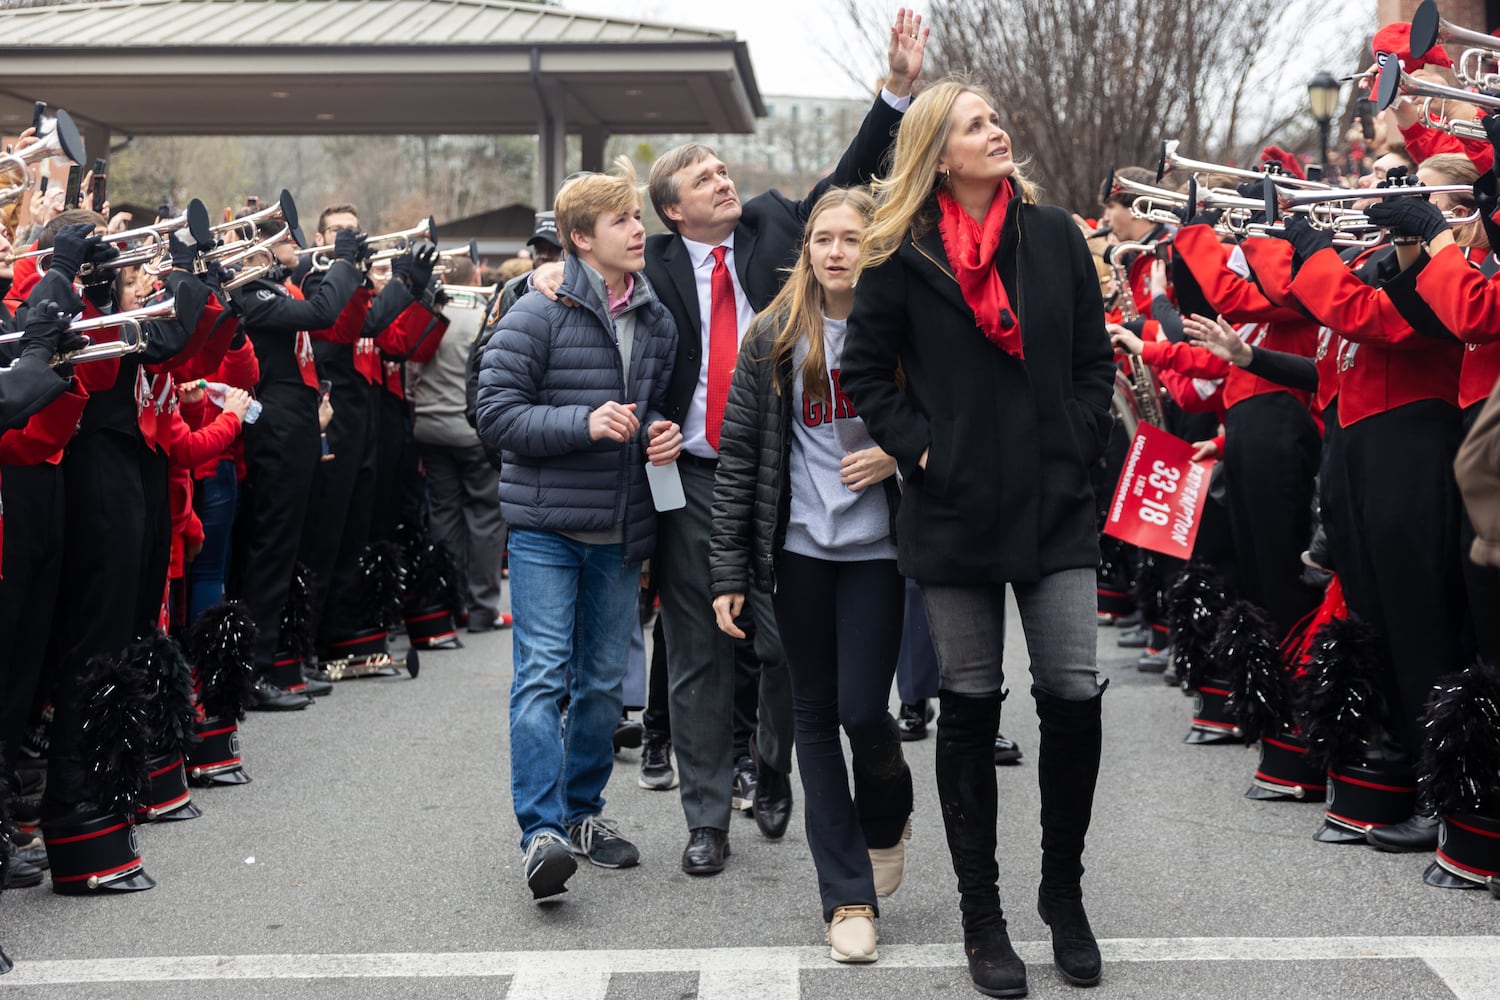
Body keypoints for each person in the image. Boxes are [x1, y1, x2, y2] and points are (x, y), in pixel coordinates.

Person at [530, 8, 927, 878]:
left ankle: (775, 772)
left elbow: (851, 175)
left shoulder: (778, 226)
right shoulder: (650, 265)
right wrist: (642, 427)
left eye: (723, 170)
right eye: (705, 177)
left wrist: (894, 92)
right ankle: (706, 816)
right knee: (701, 647)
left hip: (788, 472)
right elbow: (591, 325)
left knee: (787, 641)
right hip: (691, 478)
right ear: (670, 207)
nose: (723, 182)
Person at [841, 79, 1115, 996]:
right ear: (937, 151)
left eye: (998, 119)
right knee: (969, 702)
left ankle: (1063, 895)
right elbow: (866, 375)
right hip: (954, 508)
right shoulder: (897, 252)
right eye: (974, 124)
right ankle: (982, 915)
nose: (996, 132)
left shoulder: (1056, 236)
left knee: (1073, 690)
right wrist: (924, 453)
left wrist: (1076, 439)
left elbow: (1091, 360)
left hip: (1054, 502)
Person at [709, 187, 913, 964]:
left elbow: (948, 417)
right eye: (822, 238)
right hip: (798, 553)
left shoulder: (902, 328)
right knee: (814, 719)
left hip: (879, 552)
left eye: (851, 239)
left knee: (866, 711)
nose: (834, 251)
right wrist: (729, 571)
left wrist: (898, 450)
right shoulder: (774, 334)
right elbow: (739, 464)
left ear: (876, 246)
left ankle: (889, 807)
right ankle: (846, 898)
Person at [475, 160, 681, 901]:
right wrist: (582, 423)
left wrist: (661, 432)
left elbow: (654, 405)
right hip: (545, 532)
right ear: (579, 239)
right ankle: (542, 833)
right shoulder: (536, 311)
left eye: (637, 217)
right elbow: (493, 415)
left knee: (599, 685)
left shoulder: (656, 317)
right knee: (540, 678)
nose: (638, 230)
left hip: (621, 530)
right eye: (624, 220)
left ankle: (583, 813)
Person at [409, 254, 509, 631]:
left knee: (443, 514)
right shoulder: (483, 318)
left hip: (430, 429)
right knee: (485, 516)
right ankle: (482, 607)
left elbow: (411, 376)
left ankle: (447, 604)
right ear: (476, 275)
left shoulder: (427, 318)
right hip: (468, 431)